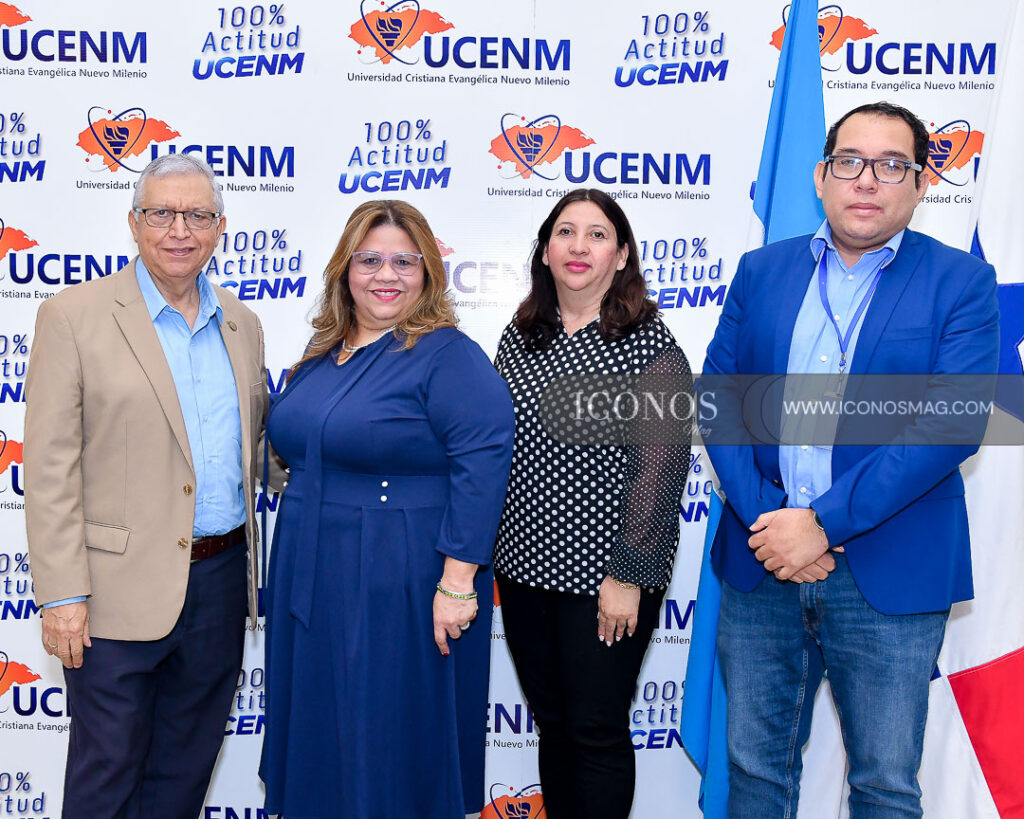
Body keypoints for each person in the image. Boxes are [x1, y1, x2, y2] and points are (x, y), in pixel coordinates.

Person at [701, 102, 999, 817]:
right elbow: (717, 399)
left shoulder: (959, 283)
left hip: (888, 569)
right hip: (760, 560)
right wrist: (776, 521)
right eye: (850, 162)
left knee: (884, 783)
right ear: (821, 175)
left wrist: (821, 524)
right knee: (754, 774)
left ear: (922, 182)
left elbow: (951, 424)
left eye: (892, 164)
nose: (867, 180)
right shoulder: (761, 270)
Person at [24, 153, 267, 818]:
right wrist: (64, 595)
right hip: (111, 595)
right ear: (133, 222)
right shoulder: (73, 316)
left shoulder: (242, 325)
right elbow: (48, 467)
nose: (178, 229)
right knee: (106, 776)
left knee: (183, 776)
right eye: (161, 212)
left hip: (218, 588)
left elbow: (258, 450)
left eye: (196, 214)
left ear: (222, 227)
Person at [259, 200, 514, 819]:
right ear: (345, 269)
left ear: (428, 272)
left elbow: (483, 465)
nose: (387, 275)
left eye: (405, 261)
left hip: (398, 577)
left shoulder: (446, 354)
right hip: (311, 572)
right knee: (320, 726)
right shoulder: (321, 356)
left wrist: (457, 584)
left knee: (387, 734)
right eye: (370, 259)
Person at [493, 189, 692, 819]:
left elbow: (659, 475)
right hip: (523, 569)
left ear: (622, 253)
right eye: (566, 232)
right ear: (545, 251)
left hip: (606, 578)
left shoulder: (652, 349)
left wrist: (628, 576)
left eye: (597, 234)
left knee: (596, 731)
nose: (579, 246)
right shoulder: (520, 337)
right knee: (553, 725)